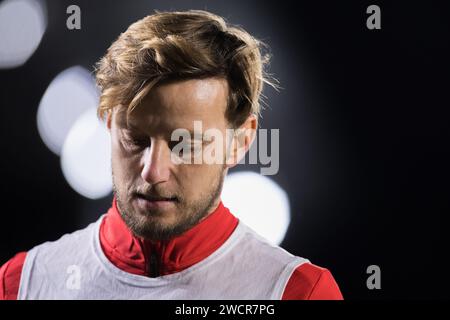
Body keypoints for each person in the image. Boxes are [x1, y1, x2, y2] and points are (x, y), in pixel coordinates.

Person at [0, 10, 343, 300]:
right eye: (135, 139)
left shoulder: (296, 292)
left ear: (240, 141)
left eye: (185, 145)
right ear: (107, 125)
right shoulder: (22, 284)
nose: (153, 171)